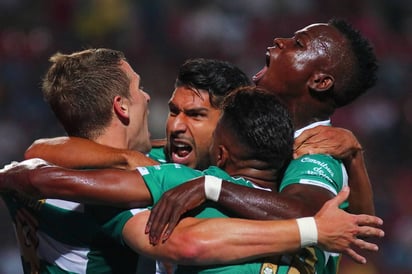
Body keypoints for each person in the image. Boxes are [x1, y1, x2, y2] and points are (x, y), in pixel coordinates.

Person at [0, 87, 384, 273]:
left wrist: (26, 175)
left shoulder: (181, 181)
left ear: (220, 153)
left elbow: (65, 181)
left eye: (198, 116)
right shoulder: (325, 187)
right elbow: (367, 236)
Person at [145, 18, 378, 274]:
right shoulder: (252, 126)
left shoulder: (319, 151)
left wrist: (212, 188)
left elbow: (309, 214)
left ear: (320, 81)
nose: (280, 41)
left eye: (298, 44)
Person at [0, 48, 157, 273]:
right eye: (138, 87)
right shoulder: (109, 191)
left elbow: (38, 149)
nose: (146, 96)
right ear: (121, 105)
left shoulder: (32, 170)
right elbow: (186, 247)